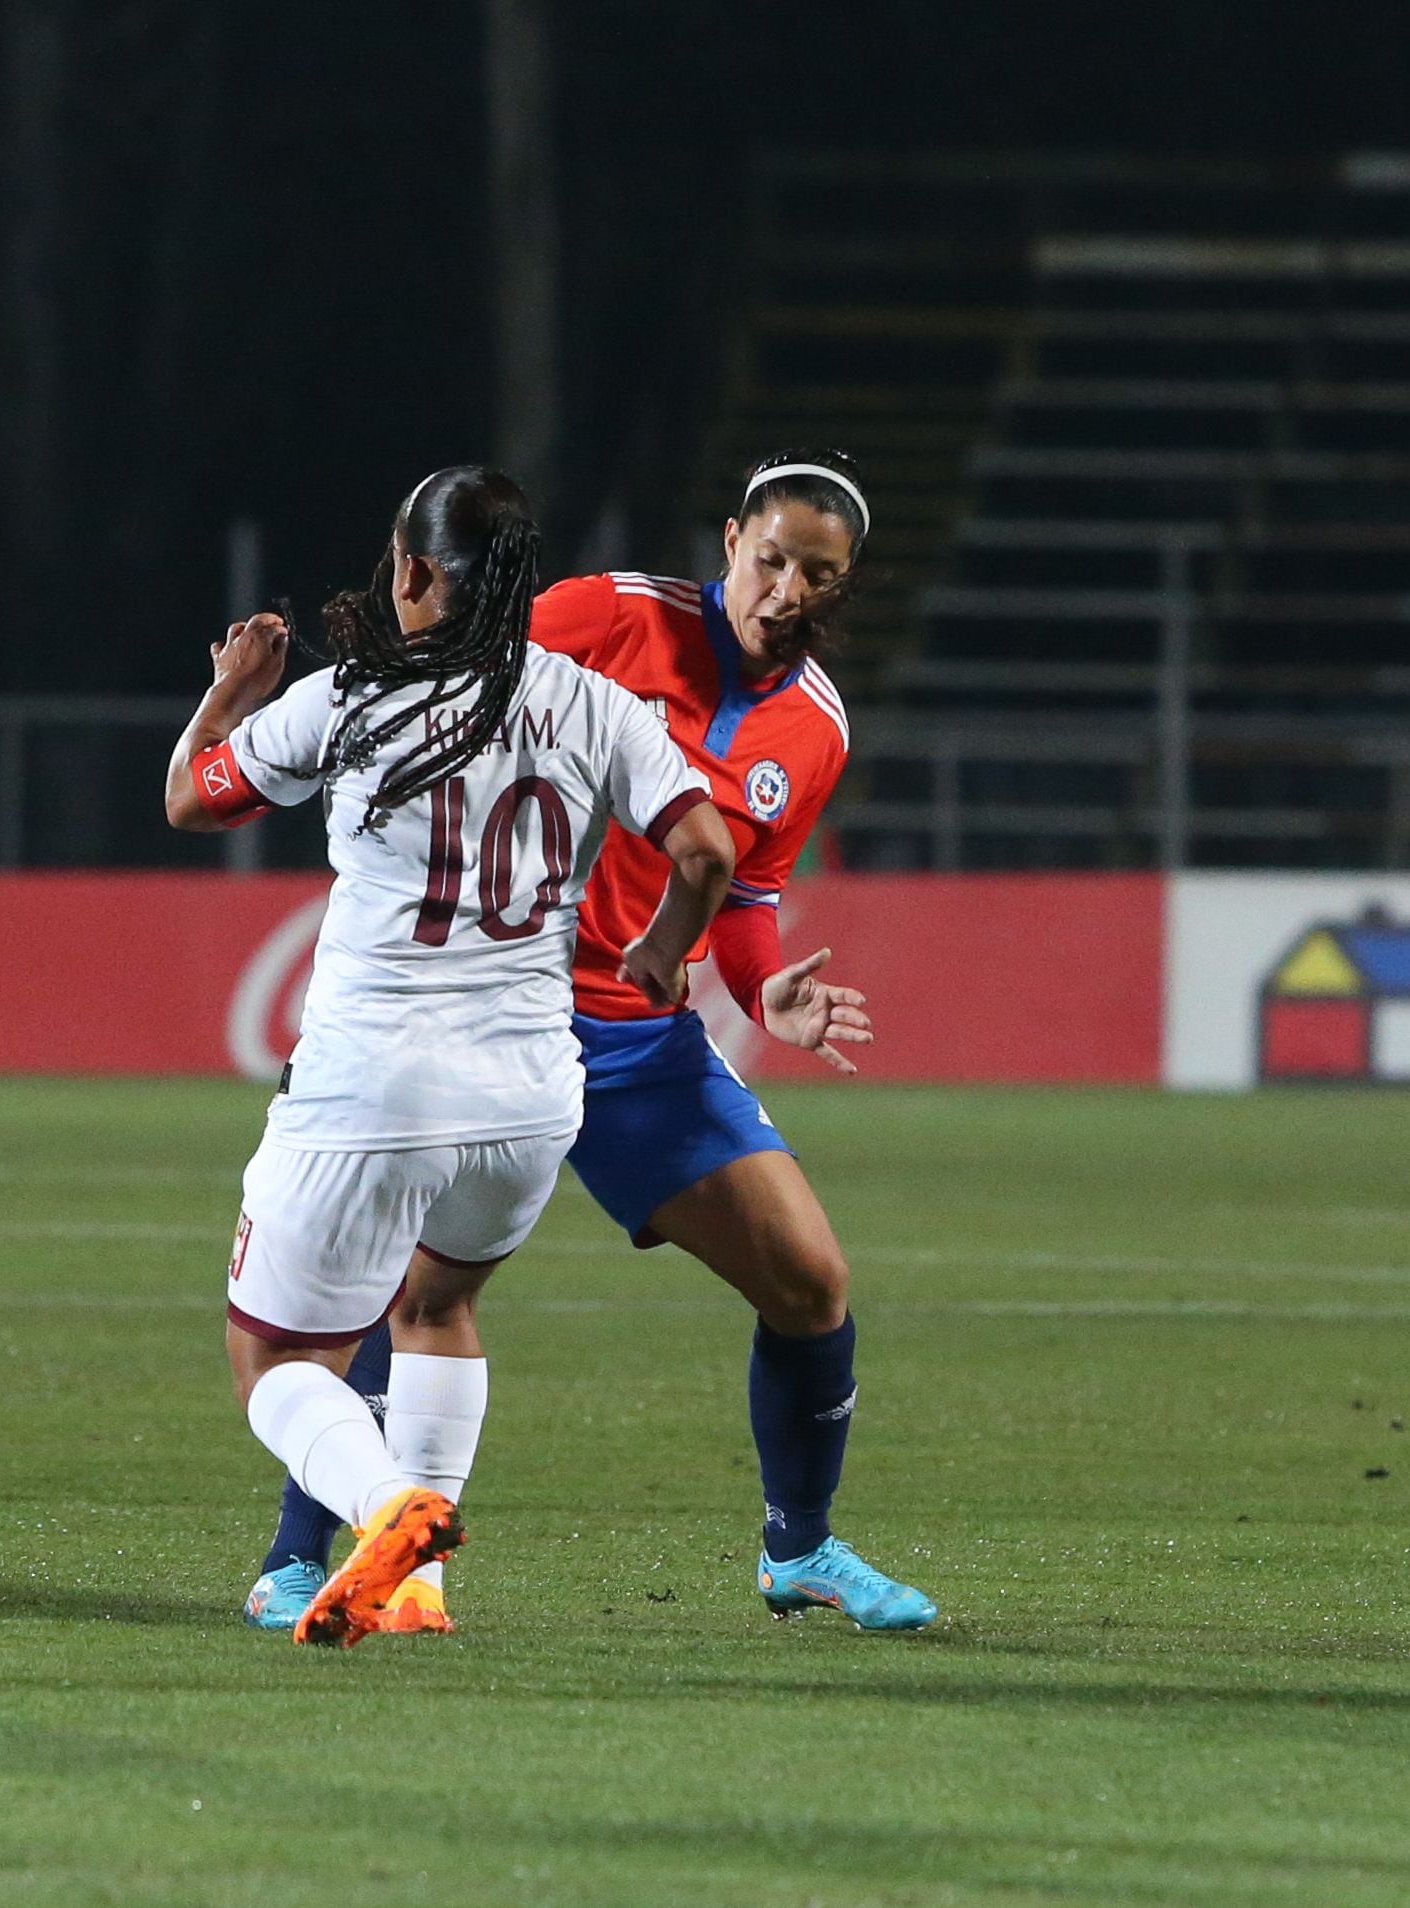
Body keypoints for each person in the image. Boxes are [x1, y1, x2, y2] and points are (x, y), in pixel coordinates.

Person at [241, 450, 939, 1636]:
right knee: (388, 1291)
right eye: (768, 559)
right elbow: (447, 657)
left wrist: (767, 995)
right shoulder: (609, 618)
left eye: (814, 575)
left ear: (844, 585)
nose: (783, 589)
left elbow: (749, 892)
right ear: (730, 543)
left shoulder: (815, 732)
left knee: (810, 1282)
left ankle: (801, 1551)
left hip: (628, 1038)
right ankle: (305, 1560)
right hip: (478, 1008)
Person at [168, 467, 736, 1646]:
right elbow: (707, 852)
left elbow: (191, 799)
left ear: (415, 571)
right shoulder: (596, 703)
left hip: (371, 1083)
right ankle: (418, 1587)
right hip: (529, 1096)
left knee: (270, 1359)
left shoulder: (349, 700)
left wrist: (225, 698)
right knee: (436, 1306)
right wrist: (663, 956)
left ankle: (390, 1511)